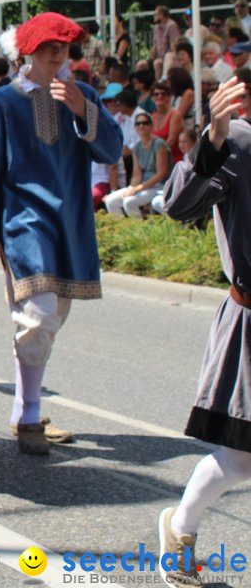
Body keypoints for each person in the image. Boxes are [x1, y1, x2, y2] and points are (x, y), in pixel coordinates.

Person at [0, 12, 123, 455]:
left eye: (64, 47)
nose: (58, 54)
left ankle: (22, 407)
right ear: (27, 51)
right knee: (36, 315)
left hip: (71, 219)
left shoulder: (83, 93)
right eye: (49, 47)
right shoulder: (1, 101)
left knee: (51, 319)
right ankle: (31, 415)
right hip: (23, 222)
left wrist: (81, 108)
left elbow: (111, 149)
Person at [157, 77, 251, 588]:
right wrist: (211, 140)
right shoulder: (237, 140)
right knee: (239, 462)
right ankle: (180, 530)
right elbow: (177, 204)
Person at [103, 108, 171, 219]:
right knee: (111, 200)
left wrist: (137, 189)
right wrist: (131, 188)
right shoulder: (137, 147)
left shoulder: (159, 145)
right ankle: (124, 231)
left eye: (145, 123)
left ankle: (139, 232)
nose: (141, 126)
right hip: (143, 186)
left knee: (129, 202)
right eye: (138, 123)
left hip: (160, 186)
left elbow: (161, 174)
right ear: (135, 127)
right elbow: (137, 175)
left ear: (151, 126)